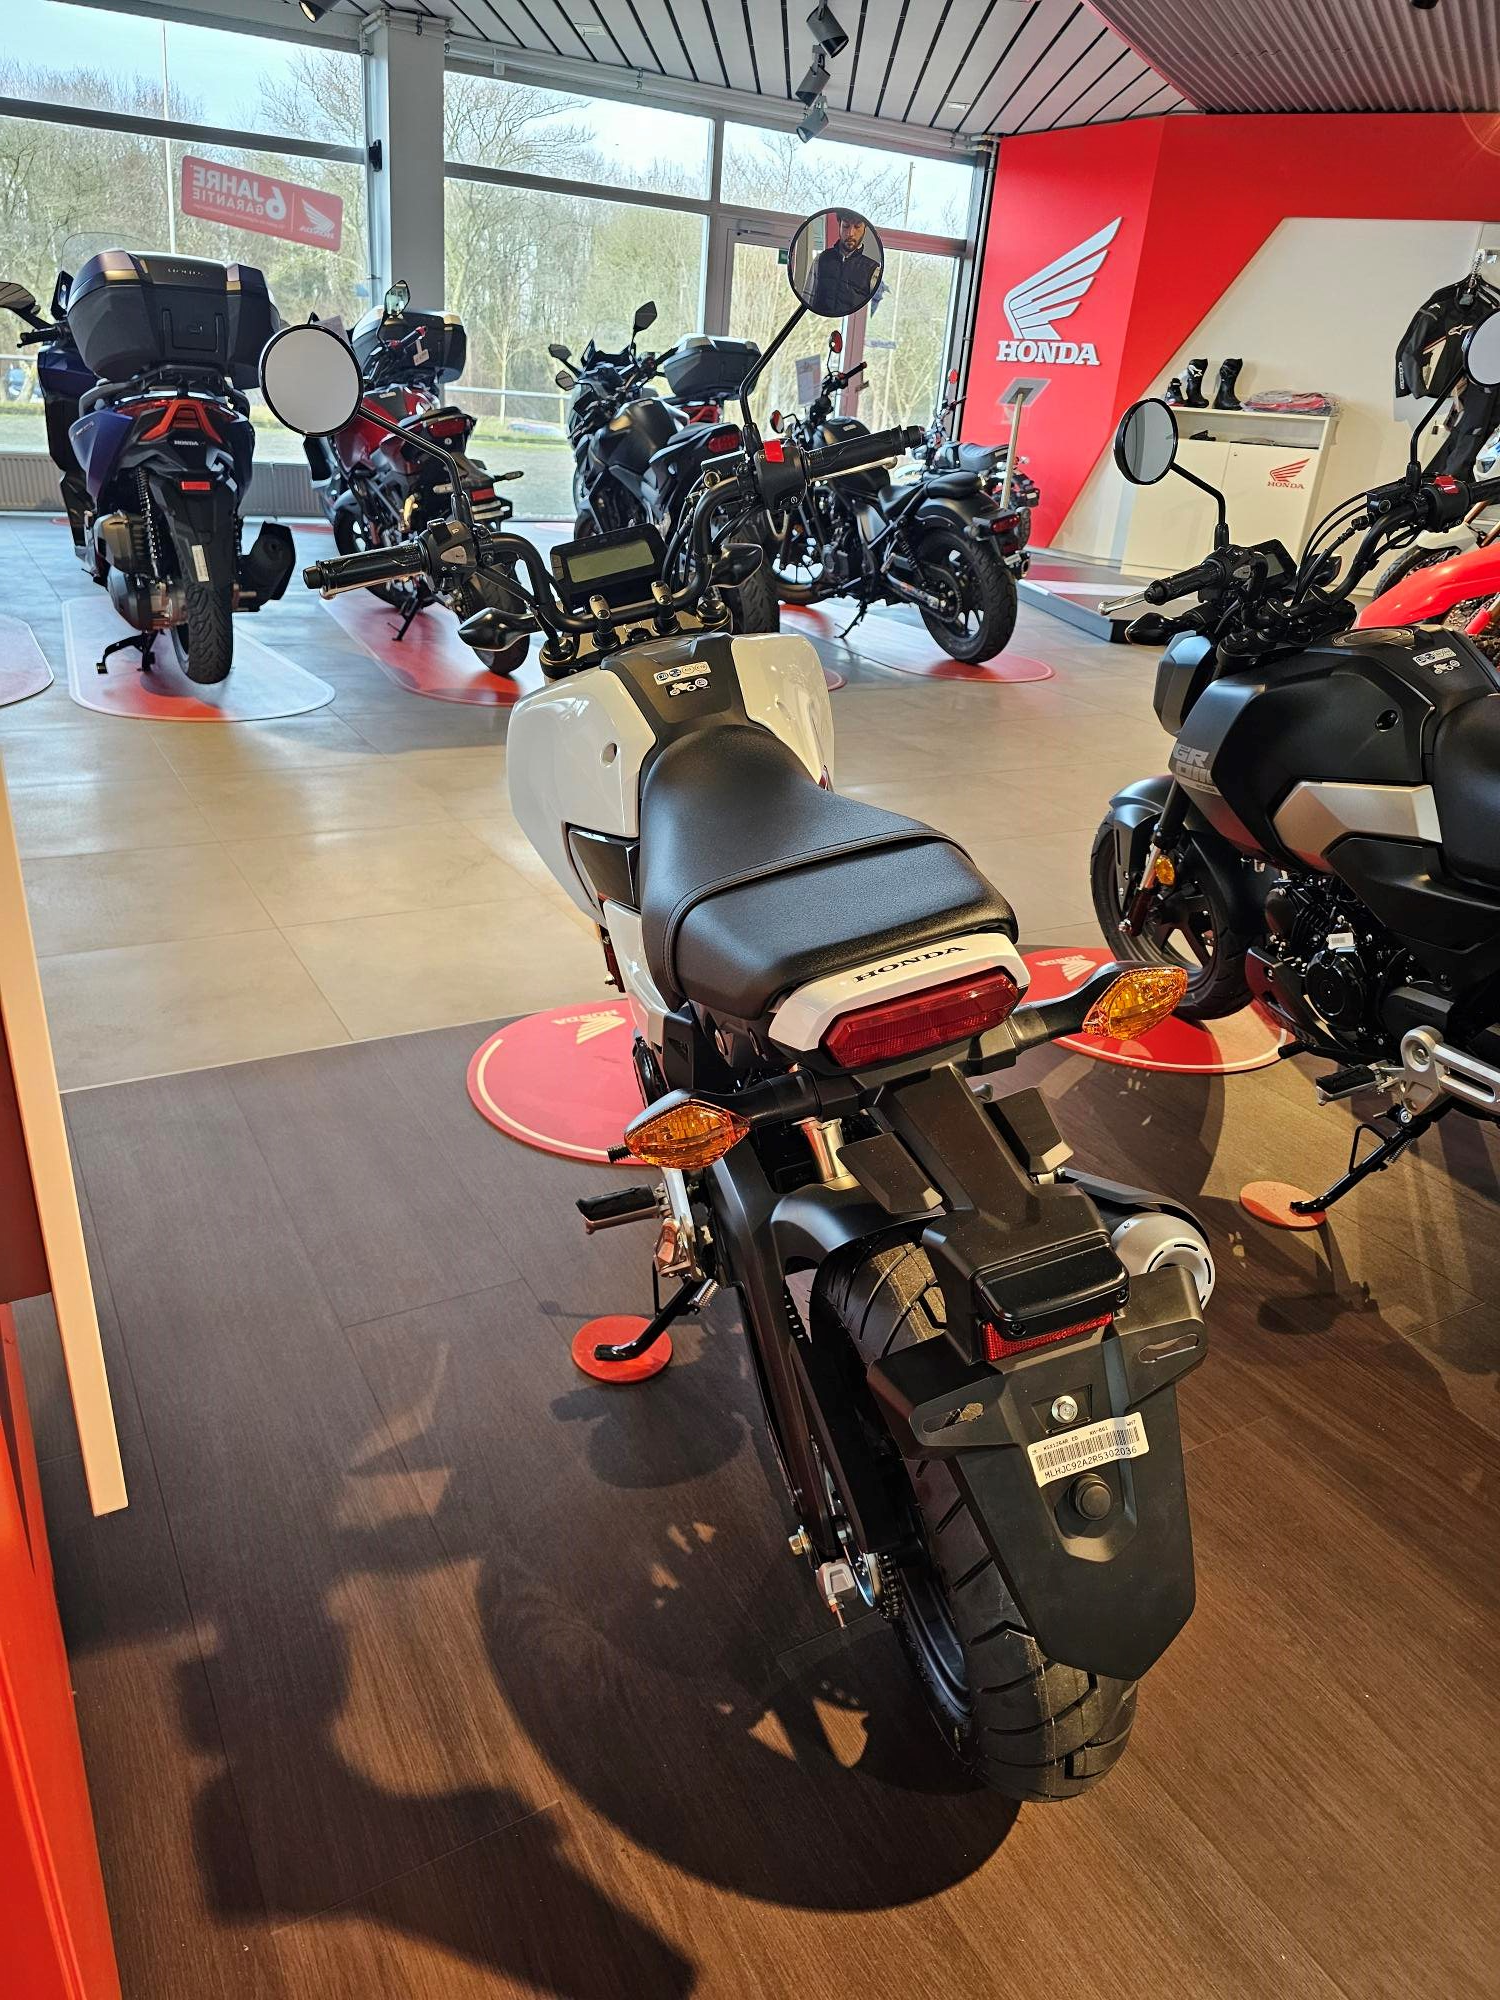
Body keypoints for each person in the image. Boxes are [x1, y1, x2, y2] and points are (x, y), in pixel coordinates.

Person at [806, 213, 881, 318]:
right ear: (839, 225)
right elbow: (807, 298)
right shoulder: (821, 259)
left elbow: (874, 313)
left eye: (857, 227)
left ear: (865, 229)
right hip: (819, 322)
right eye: (846, 226)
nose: (850, 233)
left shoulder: (874, 271)